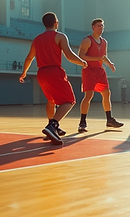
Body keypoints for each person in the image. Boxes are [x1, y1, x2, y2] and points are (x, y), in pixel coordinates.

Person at [19, 12, 87, 145]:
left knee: (51, 100)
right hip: (54, 71)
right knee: (69, 101)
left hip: (41, 73)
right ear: (56, 22)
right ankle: (52, 126)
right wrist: (82, 62)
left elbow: (29, 58)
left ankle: (52, 126)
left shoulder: (37, 39)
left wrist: (24, 73)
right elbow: (69, 55)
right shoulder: (60, 36)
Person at [77, 18, 124, 132]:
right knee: (88, 96)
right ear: (93, 27)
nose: (101, 28)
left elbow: (104, 56)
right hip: (89, 70)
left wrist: (110, 63)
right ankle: (82, 122)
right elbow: (81, 56)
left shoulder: (104, 42)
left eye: (102, 26)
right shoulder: (87, 40)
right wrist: (97, 58)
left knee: (107, 93)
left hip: (100, 70)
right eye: (98, 26)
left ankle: (109, 120)